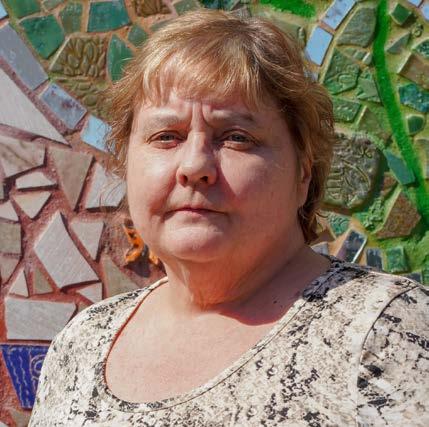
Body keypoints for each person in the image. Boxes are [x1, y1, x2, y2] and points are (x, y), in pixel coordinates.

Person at [29, 8, 428, 427]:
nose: (194, 166)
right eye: (166, 136)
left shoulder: (387, 332)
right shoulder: (83, 344)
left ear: (303, 174)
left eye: (237, 137)